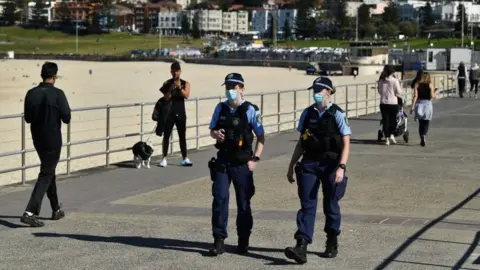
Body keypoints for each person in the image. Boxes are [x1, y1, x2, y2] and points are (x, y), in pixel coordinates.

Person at [284, 77, 351, 264]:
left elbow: (346, 143)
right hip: (310, 163)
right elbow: (301, 143)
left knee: (331, 203)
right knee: (307, 203)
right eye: (314, 90)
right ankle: (301, 245)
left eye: (319, 90)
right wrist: (291, 166)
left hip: (331, 164)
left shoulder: (337, 114)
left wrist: (341, 167)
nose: (316, 93)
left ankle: (332, 240)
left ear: (328, 92)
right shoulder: (307, 113)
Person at [207, 73, 265, 256]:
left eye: (233, 87)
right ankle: (219, 240)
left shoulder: (250, 110)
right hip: (223, 161)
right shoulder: (220, 108)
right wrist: (215, 134)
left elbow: (261, 137)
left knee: (244, 203)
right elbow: (212, 130)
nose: (230, 91)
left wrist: (255, 159)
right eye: (227, 87)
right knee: (220, 199)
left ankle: (243, 240)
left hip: (242, 164)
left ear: (242, 89)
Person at [21, 62, 71, 227]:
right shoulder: (58, 94)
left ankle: (56, 209)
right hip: (53, 138)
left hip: (38, 138)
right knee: (46, 174)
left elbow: (27, 118)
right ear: (54, 76)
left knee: (49, 171)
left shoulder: (31, 93)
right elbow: (67, 117)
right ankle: (30, 212)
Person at [158, 62, 192, 167]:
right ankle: (164, 158)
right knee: (166, 136)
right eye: (173, 70)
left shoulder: (185, 83)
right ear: (170, 71)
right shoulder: (166, 83)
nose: (175, 73)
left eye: (177, 71)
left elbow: (186, 95)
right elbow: (166, 97)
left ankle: (185, 158)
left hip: (181, 113)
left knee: (182, 136)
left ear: (180, 71)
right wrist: (170, 89)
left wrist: (179, 88)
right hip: (169, 114)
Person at [377, 65, 404, 145]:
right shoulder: (395, 81)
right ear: (392, 72)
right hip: (393, 103)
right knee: (393, 121)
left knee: (385, 121)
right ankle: (391, 134)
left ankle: (387, 138)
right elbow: (399, 92)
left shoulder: (381, 80)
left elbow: (379, 91)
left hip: (383, 103)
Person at [410, 72, 437, 147]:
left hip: (419, 104)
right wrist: (436, 92)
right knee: (426, 122)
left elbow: (415, 96)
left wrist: (412, 107)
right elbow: (432, 96)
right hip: (427, 105)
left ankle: (421, 135)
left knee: (421, 123)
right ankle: (424, 135)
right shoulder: (430, 85)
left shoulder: (417, 84)